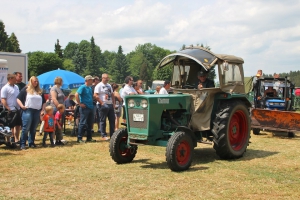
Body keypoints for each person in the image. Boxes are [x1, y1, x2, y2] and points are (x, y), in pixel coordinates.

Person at [17, 76, 46, 150]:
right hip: (28, 110)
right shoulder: (26, 89)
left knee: (33, 128)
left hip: (37, 111)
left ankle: (31, 142)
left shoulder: (40, 91)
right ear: (31, 82)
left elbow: (44, 102)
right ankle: (22, 143)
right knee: (26, 128)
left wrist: (42, 110)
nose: (36, 83)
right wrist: (22, 106)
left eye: (37, 81)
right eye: (34, 81)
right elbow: (18, 99)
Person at [1, 73, 22, 145]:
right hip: (10, 109)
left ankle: (16, 139)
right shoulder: (5, 88)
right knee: (10, 125)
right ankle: (8, 140)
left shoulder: (16, 87)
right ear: (10, 79)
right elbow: (3, 99)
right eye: (14, 79)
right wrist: (7, 108)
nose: (16, 80)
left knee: (18, 125)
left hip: (17, 109)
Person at [75, 75, 96, 143]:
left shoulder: (90, 88)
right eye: (91, 80)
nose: (92, 81)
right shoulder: (82, 87)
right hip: (85, 107)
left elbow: (91, 96)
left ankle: (89, 137)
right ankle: (79, 138)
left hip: (90, 107)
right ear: (88, 80)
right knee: (82, 123)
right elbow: (76, 94)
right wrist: (80, 104)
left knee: (89, 123)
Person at [94, 73, 115, 140]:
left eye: (107, 78)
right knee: (103, 120)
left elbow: (112, 94)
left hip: (110, 104)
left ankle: (112, 135)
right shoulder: (99, 86)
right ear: (102, 78)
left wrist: (113, 103)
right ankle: (104, 135)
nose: (107, 79)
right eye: (106, 78)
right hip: (102, 104)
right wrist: (102, 103)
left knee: (112, 120)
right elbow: (95, 95)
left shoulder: (109, 85)